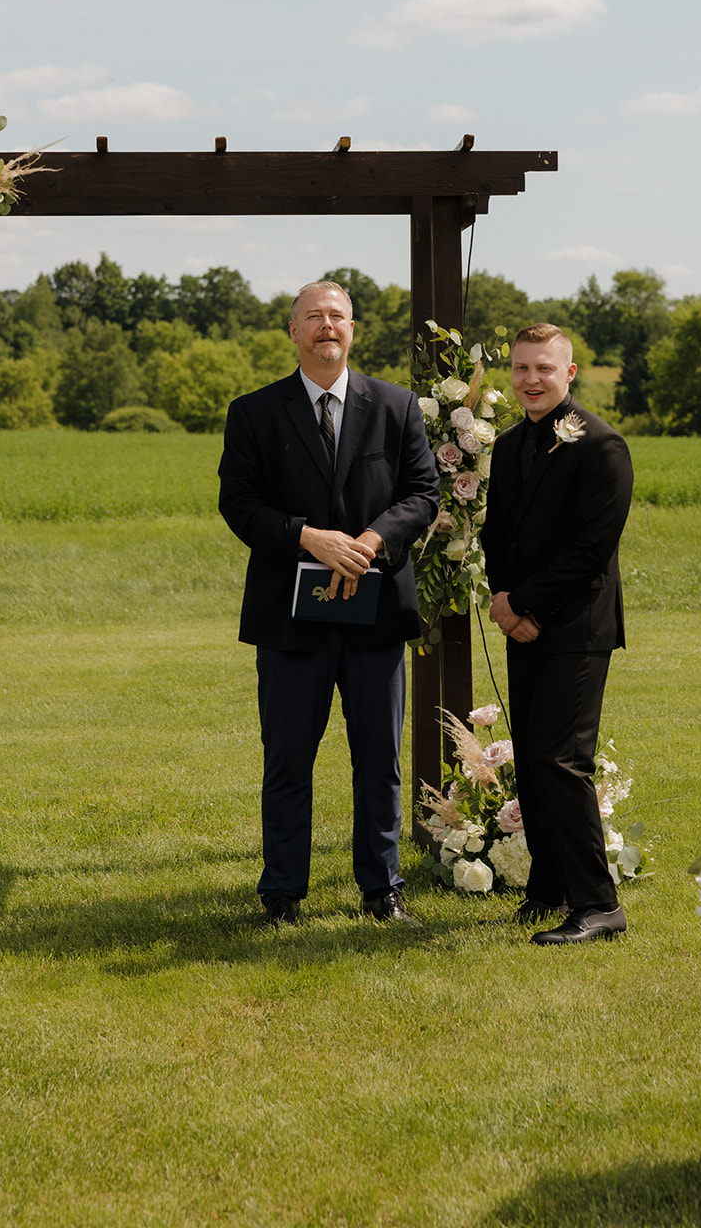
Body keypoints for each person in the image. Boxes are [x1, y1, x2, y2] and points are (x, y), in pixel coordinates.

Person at [218, 280, 440, 928]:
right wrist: (306, 536)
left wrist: (373, 540)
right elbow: (239, 503)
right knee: (287, 758)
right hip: (289, 620)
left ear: (353, 329)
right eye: (312, 317)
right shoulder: (254, 412)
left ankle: (383, 890)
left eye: (336, 316)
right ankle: (281, 894)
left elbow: (423, 494)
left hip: (375, 615)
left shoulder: (397, 407)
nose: (325, 326)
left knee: (380, 759)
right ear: (292, 332)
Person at [481, 323, 634, 946]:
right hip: (523, 624)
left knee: (563, 761)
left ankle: (599, 904)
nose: (531, 379)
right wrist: (503, 601)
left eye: (544, 368)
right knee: (535, 762)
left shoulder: (601, 445)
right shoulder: (512, 443)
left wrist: (527, 604)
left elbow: (590, 548)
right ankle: (547, 889)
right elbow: (499, 535)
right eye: (521, 368)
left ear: (569, 373)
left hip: (577, 626)